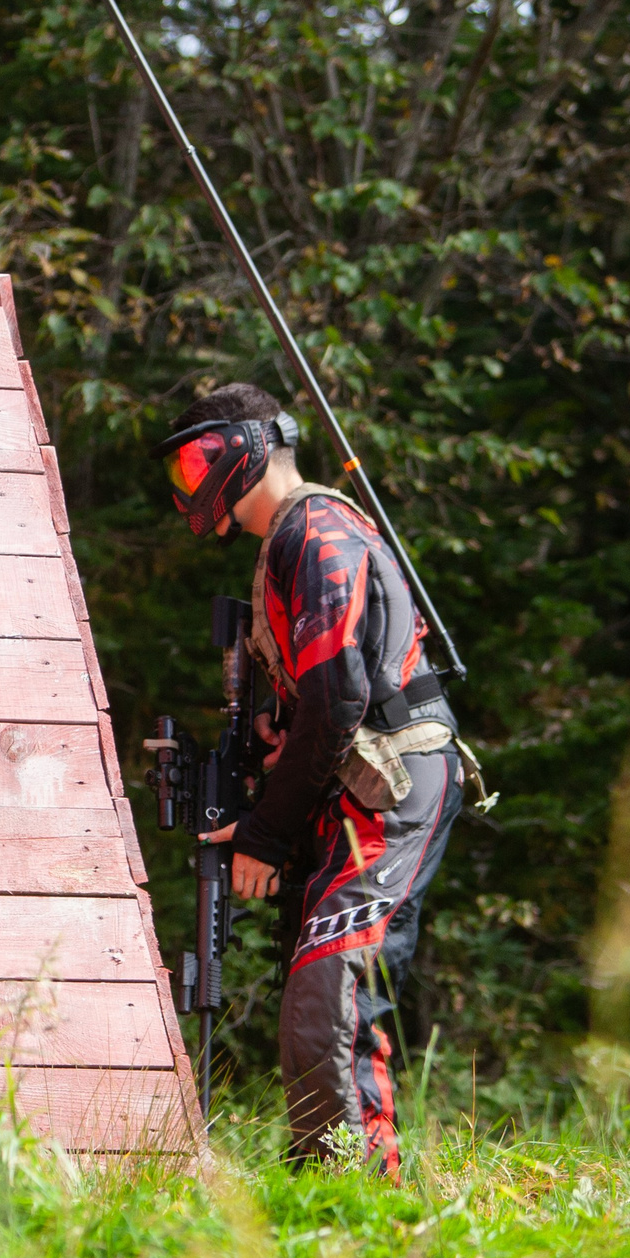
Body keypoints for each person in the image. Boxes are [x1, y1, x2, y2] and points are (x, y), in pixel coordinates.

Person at [149, 382, 466, 1175]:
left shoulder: (317, 535)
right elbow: (316, 706)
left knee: (336, 978)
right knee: (312, 988)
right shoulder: (287, 544)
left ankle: (357, 1198)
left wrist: (265, 833)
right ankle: (323, 1185)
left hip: (392, 785)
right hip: (353, 788)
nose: (191, 489)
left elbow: (340, 698)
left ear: (244, 448)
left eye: (195, 465)